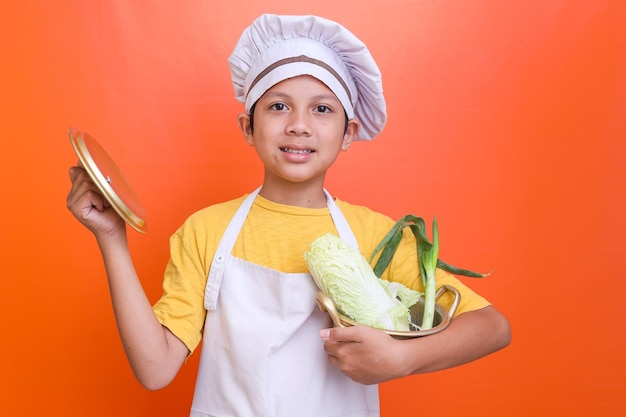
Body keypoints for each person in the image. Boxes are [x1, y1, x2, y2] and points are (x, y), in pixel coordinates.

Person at [67, 13, 511, 417]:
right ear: (248, 126)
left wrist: (403, 358)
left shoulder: (377, 235)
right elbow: (156, 368)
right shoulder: (207, 231)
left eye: (322, 109)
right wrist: (111, 237)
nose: (299, 124)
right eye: (278, 106)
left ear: (348, 132)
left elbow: (492, 327)